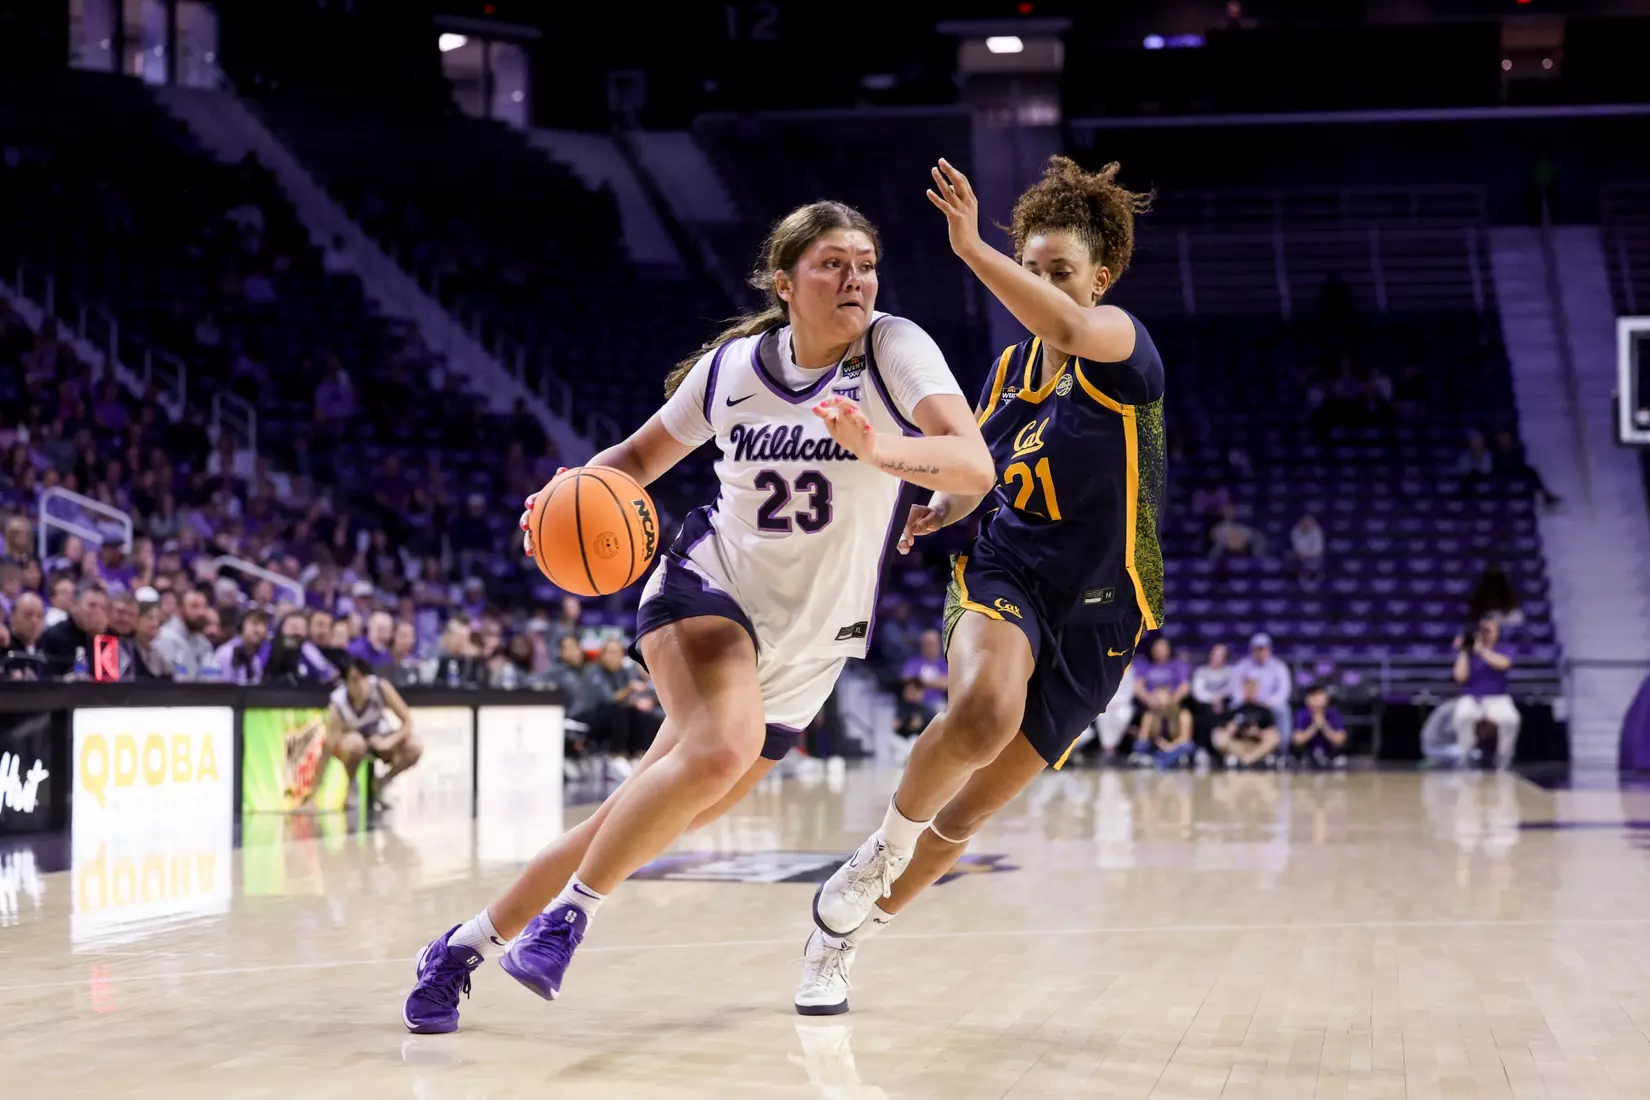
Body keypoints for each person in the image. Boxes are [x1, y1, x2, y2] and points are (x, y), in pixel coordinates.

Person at [403, 199, 991, 1033]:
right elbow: (637, 460)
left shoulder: (895, 348)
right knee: (716, 753)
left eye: (864, 262)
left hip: (812, 646)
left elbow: (973, 460)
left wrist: (889, 458)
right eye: (831, 262)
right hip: (705, 592)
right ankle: (566, 921)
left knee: (643, 812)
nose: (854, 276)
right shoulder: (734, 370)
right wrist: (566, 493)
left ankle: (462, 946)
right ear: (785, 282)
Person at [802, 155, 1164, 1015]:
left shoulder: (1120, 345)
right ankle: (875, 854)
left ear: (1098, 278)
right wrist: (944, 502)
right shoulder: (1005, 379)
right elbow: (976, 472)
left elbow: (1073, 332)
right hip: (1007, 572)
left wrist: (970, 247)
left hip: (1101, 618)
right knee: (985, 708)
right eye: (1029, 269)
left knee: (964, 819)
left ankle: (840, 940)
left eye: (1057, 273)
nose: (1035, 287)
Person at [318, 656, 423, 811]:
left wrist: (389, 742)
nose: (360, 684)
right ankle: (352, 785)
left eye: (363, 678)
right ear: (346, 682)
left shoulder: (381, 687)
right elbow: (330, 743)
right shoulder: (337, 702)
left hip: (379, 740)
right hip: (353, 746)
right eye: (354, 680)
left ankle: (382, 783)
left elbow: (408, 722)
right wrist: (315, 792)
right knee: (355, 742)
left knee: (415, 746)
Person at [1452, 617, 1520, 769]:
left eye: (1490, 630)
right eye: (1483, 630)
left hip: (1497, 698)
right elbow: (1460, 677)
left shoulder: (1504, 648)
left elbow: (1503, 664)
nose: (1486, 633)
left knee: (1511, 720)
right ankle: (1466, 755)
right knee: (1462, 716)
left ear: (1497, 633)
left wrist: (1482, 650)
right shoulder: (1468, 651)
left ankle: (1504, 758)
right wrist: (1463, 651)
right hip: (1471, 697)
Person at [1127, 636, 1189, 766]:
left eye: (1162, 648)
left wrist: (1171, 701)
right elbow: (1138, 688)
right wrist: (1150, 700)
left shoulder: (1177, 666)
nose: (1159, 651)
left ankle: (1162, 757)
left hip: (1172, 708)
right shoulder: (1145, 666)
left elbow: (1185, 687)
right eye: (1157, 648)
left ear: (1168, 650)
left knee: (1186, 746)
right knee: (1140, 744)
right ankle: (1159, 756)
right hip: (1152, 707)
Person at [1229, 632, 1292, 740]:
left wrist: (1269, 702)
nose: (1260, 652)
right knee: (1232, 707)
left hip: (1269, 703)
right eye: (1257, 648)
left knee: (1282, 709)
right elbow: (1235, 688)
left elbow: (1284, 691)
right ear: (1252, 649)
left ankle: (1284, 750)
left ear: (1269, 649)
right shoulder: (1241, 665)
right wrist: (1245, 700)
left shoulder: (1279, 666)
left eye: (1263, 648)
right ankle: (1230, 749)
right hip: (1247, 702)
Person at [1212, 679, 1282, 768]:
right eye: (1248, 689)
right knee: (1218, 736)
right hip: (1238, 744)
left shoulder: (1264, 711)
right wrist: (1232, 729)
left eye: (1252, 690)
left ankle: (1249, 758)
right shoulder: (1235, 710)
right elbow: (1224, 731)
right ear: (1243, 690)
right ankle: (1250, 758)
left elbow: (1271, 731)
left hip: (1257, 744)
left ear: (1257, 691)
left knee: (1275, 737)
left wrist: (1258, 733)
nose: (1250, 692)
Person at [1290, 684, 1349, 768]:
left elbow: (1340, 739)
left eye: (1320, 695)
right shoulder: (1301, 714)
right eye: (1313, 696)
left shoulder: (1333, 713)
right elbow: (1297, 740)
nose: (1317, 699)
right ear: (1307, 700)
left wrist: (1324, 725)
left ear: (1326, 698)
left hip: (1329, 756)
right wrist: (1314, 727)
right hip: (1307, 757)